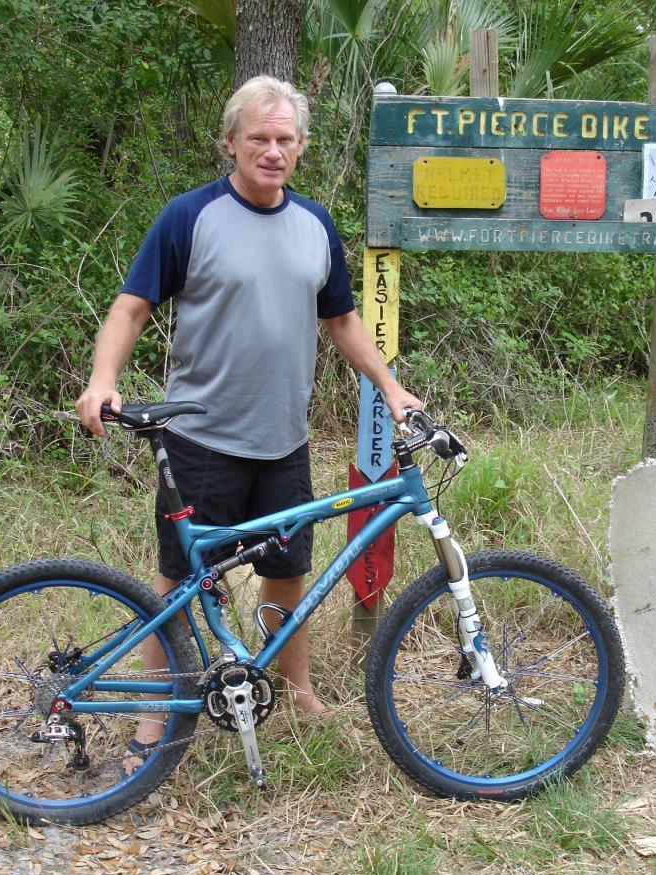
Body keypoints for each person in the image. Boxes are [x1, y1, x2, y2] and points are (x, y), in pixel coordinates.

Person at [75, 75, 421, 772]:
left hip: (283, 440)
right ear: (230, 142)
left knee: (285, 571)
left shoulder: (315, 225)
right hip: (202, 439)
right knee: (183, 582)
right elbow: (133, 305)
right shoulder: (189, 217)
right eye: (258, 138)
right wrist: (101, 381)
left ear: (301, 148)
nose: (272, 151)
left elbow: (342, 321)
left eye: (285, 139)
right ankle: (154, 715)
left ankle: (292, 690)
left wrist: (390, 387)